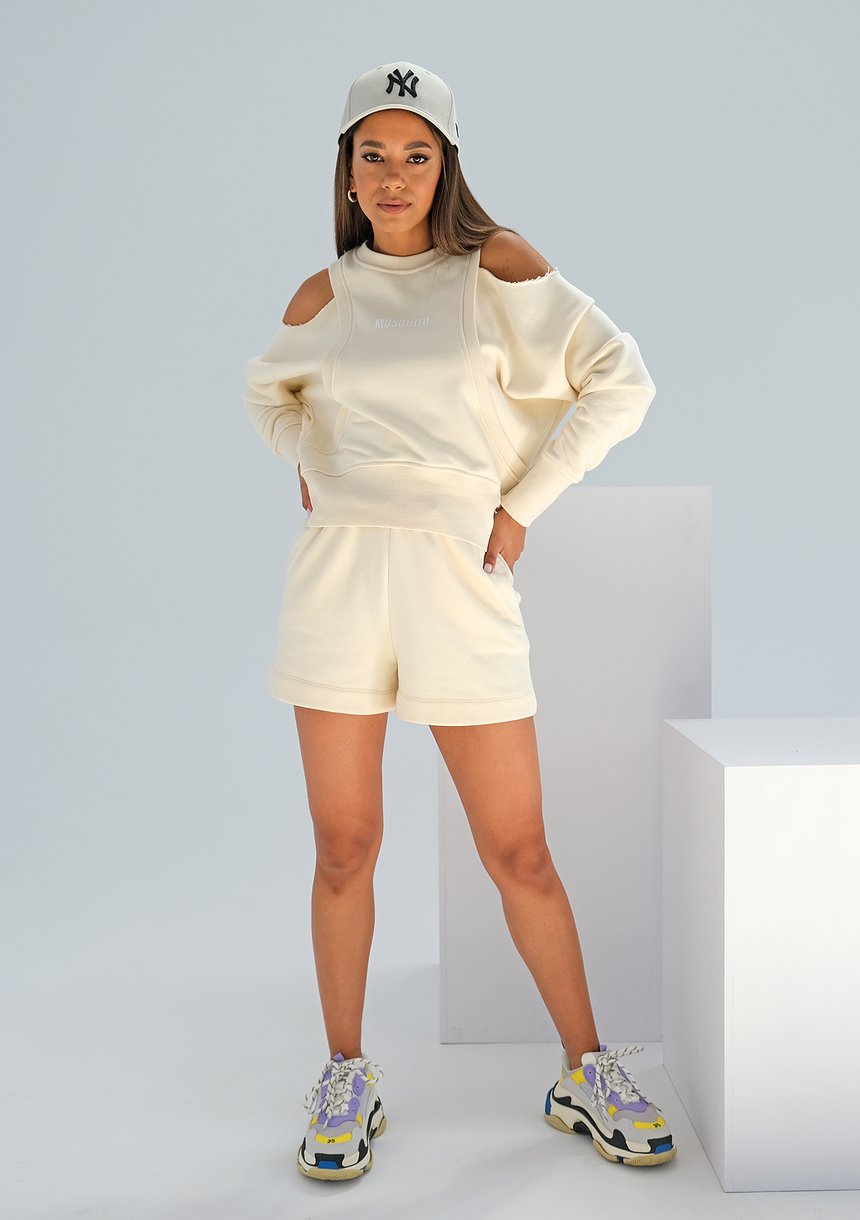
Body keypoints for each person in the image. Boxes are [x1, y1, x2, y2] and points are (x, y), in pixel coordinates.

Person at [243, 60, 676, 1180]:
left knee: (518, 848)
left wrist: (521, 506)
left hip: (459, 580)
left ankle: (583, 1067)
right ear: (345, 171)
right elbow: (267, 394)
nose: (393, 176)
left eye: (415, 153)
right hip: (338, 584)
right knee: (345, 847)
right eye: (372, 154)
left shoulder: (495, 268)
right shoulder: (324, 295)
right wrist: (308, 459)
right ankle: (346, 1069)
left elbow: (620, 379)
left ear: (446, 166)